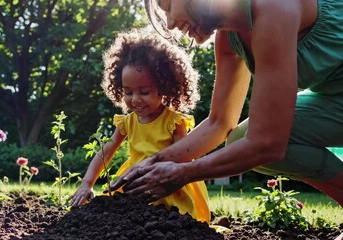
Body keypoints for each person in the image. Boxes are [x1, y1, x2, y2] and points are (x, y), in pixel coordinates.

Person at [108, 0, 343, 209]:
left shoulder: (274, 8)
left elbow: (268, 143)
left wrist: (182, 173)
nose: (169, 24)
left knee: (259, 143)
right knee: (240, 139)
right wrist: (156, 160)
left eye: (169, 6)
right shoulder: (229, 36)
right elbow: (219, 123)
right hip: (333, 99)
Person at [70, 28, 211, 223]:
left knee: (172, 223)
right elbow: (106, 151)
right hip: (134, 181)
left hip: (167, 184)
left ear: (164, 88)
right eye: (128, 92)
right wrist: (87, 183)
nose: (135, 100)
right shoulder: (127, 122)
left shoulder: (173, 121)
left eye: (144, 91)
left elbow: (185, 157)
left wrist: (166, 174)